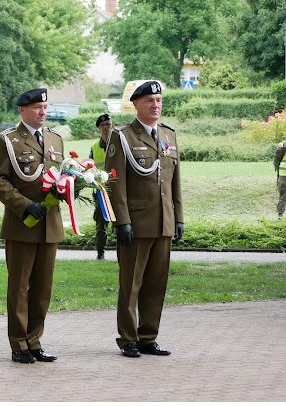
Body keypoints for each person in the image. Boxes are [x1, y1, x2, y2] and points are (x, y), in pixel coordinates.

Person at [104, 80, 184, 358]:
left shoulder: (169, 135)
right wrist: (121, 221)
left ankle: (148, 337)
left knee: (156, 283)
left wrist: (178, 217)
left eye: (159, 100)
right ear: (136, 104)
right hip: (135, 223)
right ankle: (128, 338)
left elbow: (174, 181)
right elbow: (114, 183)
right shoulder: (123, 136)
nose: (155, 105)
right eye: (149, 100)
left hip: (163, 221)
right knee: (131, 285)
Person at [0, 88, 63, 364]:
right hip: (22, 224)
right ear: (22, 110)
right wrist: (24, 205)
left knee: (43, 288)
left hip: (49, 224)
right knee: (19, 287)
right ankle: (19, 343)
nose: (42, 111)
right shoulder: (7, 140)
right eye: (36, 107)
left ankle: (34, 341)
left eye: (45, 107)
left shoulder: (55, 138)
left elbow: (60, 176)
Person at [89, 114, 112, 260]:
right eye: (103, 125)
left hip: (118, 190)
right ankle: (100, 253)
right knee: (100, 223)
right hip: (101, 191)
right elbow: (89, 166)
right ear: (99, 128)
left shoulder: (119, 143)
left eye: (109, 124)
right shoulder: (95, 147)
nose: (106, 127)